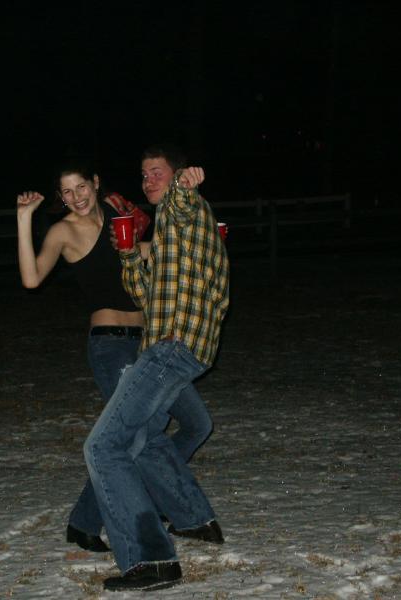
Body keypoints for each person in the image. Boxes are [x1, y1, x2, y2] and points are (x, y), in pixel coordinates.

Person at [15, 162, 214, 554]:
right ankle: (180, 512)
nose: (76, 197)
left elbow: (152, 251)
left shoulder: (119, 216)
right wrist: (24, 219)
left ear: (95, 183)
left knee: (197, 423)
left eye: (81, 187)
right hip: (110, 345)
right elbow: (31, 278)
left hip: (150, 342)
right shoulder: (64, 232)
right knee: (136, 435)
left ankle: (87, 519)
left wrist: (195, 236)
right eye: (67, 192)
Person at [85, 146, 230, 591]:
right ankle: (193, 519)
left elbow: (182, 201)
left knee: (103, 447)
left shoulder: (182, 209)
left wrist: (185, 184)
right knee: (143, 438)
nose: (148, 181)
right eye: (143, 174)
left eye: (157, 172)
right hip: (183, 347)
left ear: (177, 173)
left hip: (171, 347)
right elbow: (147, 296)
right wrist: (130, 253)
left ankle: (151, 559)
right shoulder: (170, 233)